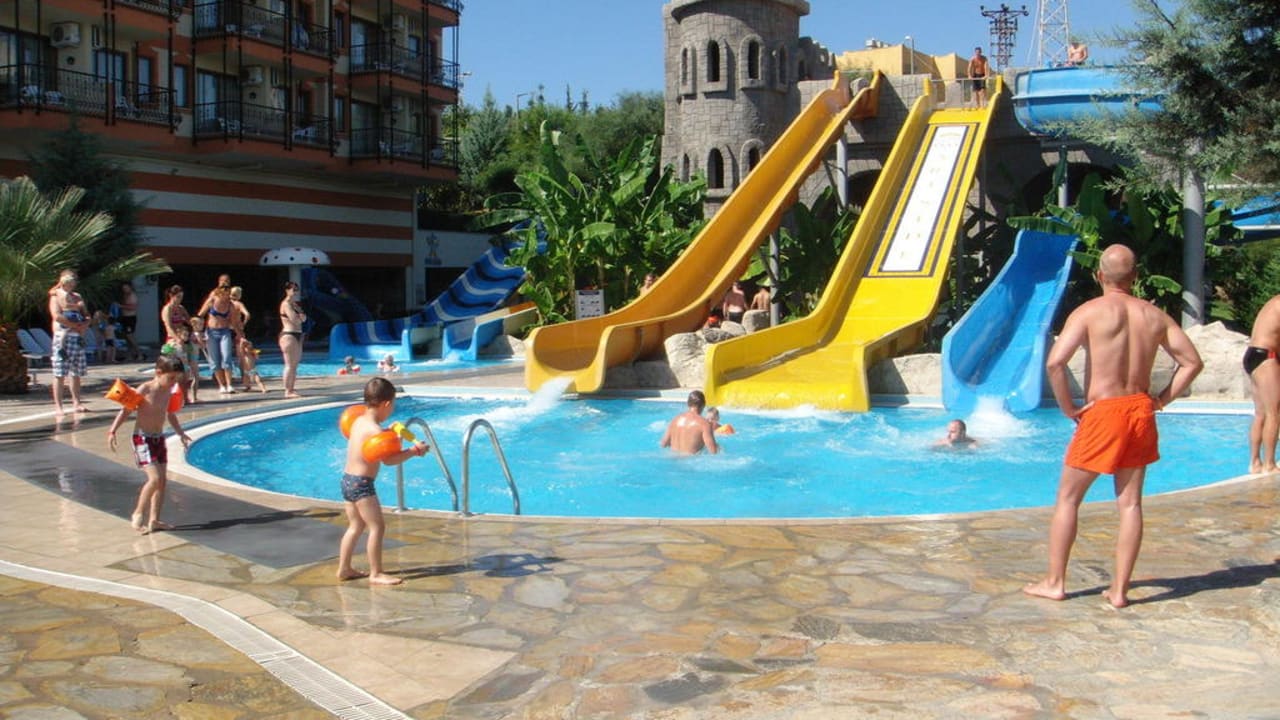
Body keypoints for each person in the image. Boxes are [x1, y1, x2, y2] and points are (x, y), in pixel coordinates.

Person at [1023, 245, 1203, 609]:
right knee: (1131, 504)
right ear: (1135, 276)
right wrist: (1161, 400)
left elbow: (1056, 363)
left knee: (1068, 499)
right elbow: (1192, 363)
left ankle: (1055, 582)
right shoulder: (1154, 316)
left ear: (1099, 275)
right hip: (1139, 410)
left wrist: (1069, 408)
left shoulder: (1089, 312)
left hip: (1103, 412)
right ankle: (1119, 591)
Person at [337, 377, 427, 585]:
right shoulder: (375, 431)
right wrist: (414, 451)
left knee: (355, 526)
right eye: (392, 405)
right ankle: (376, 573)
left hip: (347, 480)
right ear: (386, 404)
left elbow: (375, 442)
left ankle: (344, 568)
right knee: (377, 527)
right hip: (362, 485)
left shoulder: (359, 421)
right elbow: (389, 460)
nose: (392, 410)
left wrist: (391, 433)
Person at [107, 354, 192, 534]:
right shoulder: (145, 389)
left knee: (162, 481)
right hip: (142, 439)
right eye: (171, 378)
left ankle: (154, 520)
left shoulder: (168, 391)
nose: (173, 382)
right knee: (154, 479)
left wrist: (181, 433)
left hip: (158, 438)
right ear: (158, 373)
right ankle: (138, 514)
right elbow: (126, 411)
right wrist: (112, 430)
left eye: (176, 379)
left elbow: (170, 414)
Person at [1243, 294, 1280, 473]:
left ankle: (1255, 462)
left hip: (1252, 354)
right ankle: (1269, 464)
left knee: (1260, 414)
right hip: (1267, 356)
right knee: (1274, 413)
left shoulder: (1273, 302)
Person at [48, 270, 91, 416]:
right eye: (70, 281)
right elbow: (56, 315)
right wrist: (73, 325)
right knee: (60, 372)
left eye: (74, 281)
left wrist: (84, 324)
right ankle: (58, 406)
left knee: (76, 372)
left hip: (77, 336)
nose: (73, 284)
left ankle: (77, 402)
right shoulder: (56, 295)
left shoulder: (77, 296)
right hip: (63, 336)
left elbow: (86, 314)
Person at [198, 279, 242, 395]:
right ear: (220, 293)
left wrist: (240, 335)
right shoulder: (212, 300)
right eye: (225, 294)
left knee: (227, 358)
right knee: (215, 360)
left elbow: (234, 322)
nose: (227, 297)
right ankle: (221, 385)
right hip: (211, 332)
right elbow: (200, 315)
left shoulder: (230, 305)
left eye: (228, 294)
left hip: (224, 332)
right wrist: (199, 332)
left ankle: (229, 385)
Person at [660, 390, 720, 455]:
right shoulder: (704, 424)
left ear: (688, 404)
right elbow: (714, 452)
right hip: (691, 460)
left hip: (672, 458)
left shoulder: (674, 420)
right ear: (703, 405)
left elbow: (664, 444)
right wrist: (719, 447)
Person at [278, 281, 306, 398]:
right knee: (289, 364)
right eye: (293, 290)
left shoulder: (294, 304)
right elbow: (296, 320)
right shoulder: (286, 304)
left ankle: (292, 389)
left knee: (294, 365)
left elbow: (303, 318)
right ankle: (287, 391)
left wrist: (301, 318)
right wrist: (301, 318)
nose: (295, 292)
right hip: (288, 334)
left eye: (297, 290)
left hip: (297, 334)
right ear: (287, 290)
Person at [117, 281, 142, 360]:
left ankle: (139, 353)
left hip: (130, 318)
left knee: (130, 336)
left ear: (130, 287)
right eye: (124, 288)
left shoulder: (132, 296)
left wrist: (121, 306)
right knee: (127, 338)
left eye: (126, 288)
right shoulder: (125, 295)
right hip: (125, 318)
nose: (125, 290)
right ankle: (130, 355)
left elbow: (133, 307)